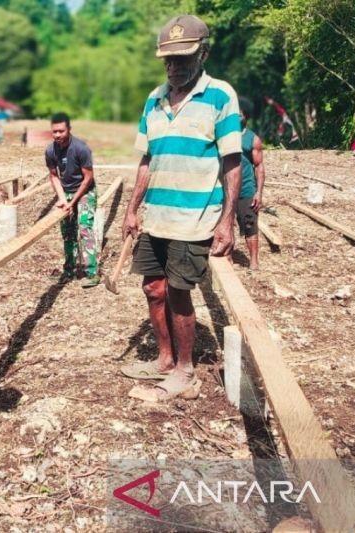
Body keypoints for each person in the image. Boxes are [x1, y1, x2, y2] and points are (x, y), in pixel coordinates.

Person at [120, 15, 242, 401]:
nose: (174, 68)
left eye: (183, 59)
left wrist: (227, 221)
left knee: (177, 291)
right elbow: (145, 160)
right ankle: (164, 358)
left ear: (203, 53)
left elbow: (232, 162)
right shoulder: (153, 100)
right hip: (155, 214)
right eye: (168, 61)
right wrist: (131, 209)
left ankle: (185, 369)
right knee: (152, 288)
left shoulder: (220, 96)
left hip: (193, 219)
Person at [45, 112, 100, 288]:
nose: (58, 135)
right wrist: (63, 199)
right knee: (68, 233)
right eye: (55, 131)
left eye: (61, 131)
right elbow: (54, 176)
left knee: (84, 227)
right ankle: (68, 270)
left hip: (85, 191)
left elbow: (88, 179)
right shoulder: (50, 150)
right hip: (67, 191)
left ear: (69, 129)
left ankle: (91, 272)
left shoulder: (81, 148)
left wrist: (72, 201)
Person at [237, 96, 265, 270]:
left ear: (246, 116)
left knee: (249, 224)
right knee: (222, 225)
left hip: (246, 190)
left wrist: (259, 193)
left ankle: (254, 260)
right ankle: (227, 256)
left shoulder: (252, 139)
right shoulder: (222, 137)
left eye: (239, 114)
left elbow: (259, 167)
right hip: (223, 190)